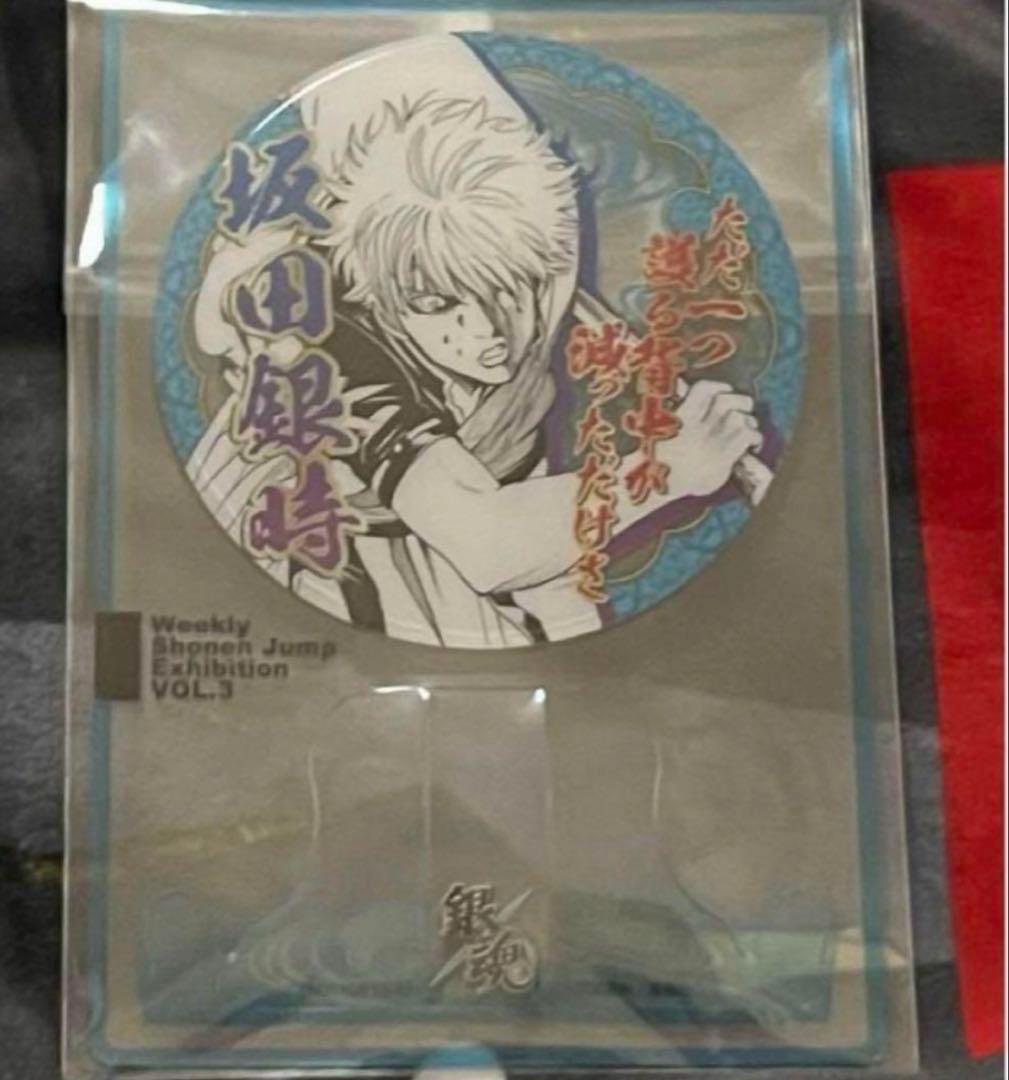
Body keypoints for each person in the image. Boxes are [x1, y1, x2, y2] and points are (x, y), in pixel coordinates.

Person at [187, 79, 760, 647]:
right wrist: (669, 470)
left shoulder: (534, 274)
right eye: (438, 305)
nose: (487, 331)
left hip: (518, 570)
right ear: (380, 297)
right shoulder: (343, 345)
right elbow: (487, 545)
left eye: (505, 291)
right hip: (347, 582)